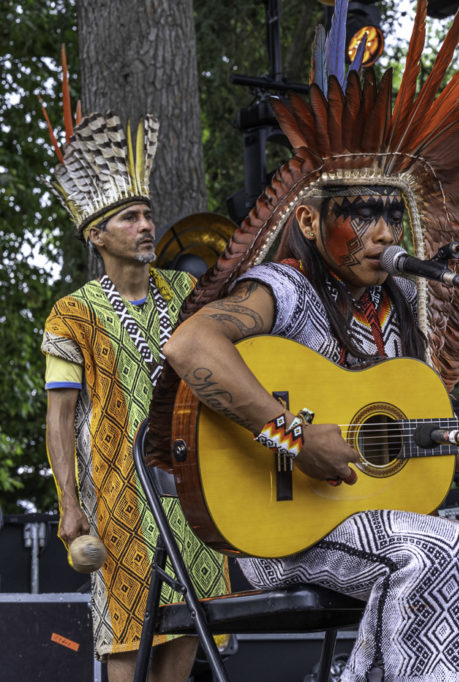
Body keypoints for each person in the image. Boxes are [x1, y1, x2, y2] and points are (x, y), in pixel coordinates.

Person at [155, 2, 459, 679]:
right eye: (362, 213)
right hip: (278, 528)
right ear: (313, 223)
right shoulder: (282, 287)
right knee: (439, 555)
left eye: (390, 214)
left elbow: (407, 450)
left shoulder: (401, 306)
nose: (384, 232)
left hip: (361, 516)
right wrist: (292, 435)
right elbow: (191, 348)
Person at [41, 104, 229, 681]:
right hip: (120, 501)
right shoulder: (71, 313)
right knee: (127, 656)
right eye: (129, 217)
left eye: (148, 215)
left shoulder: (190, 293)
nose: (147, 226)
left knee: (179, 659)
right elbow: (59, 419)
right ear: (97, 234)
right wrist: (70, 504)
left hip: (195, 495)